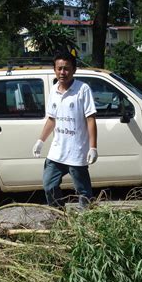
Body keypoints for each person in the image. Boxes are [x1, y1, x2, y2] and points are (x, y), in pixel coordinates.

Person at [32, 51, 98, 208]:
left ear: (74, 70)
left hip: (76, 152)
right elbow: (51, 119)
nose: (63, 72)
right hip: (57, 152)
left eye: (66, 68)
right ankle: (59, 216)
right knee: (49, 185)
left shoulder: (82, 89)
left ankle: (86, 220)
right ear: (54, 70)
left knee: (83, 192)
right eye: (59, 68)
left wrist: (93, 147)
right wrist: (41, 141)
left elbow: (91, 119)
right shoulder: (53, 90)